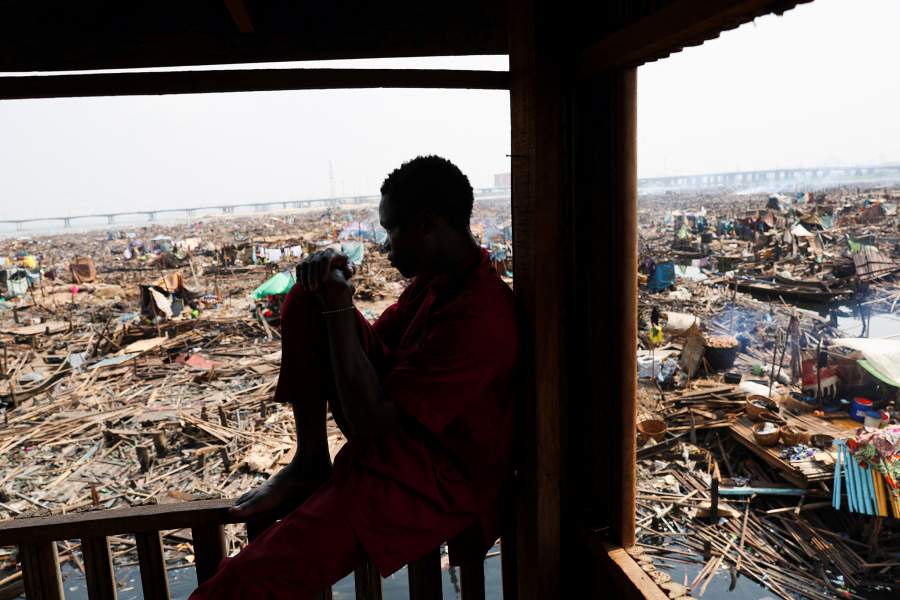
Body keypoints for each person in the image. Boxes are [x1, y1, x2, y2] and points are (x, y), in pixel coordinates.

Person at [190, 155, 518, 599]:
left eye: (390, 230)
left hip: (427, 481)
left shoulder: (479, 316)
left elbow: (371, 424)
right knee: (306, 299)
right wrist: (327, 290)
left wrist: (341, 306)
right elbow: (368, 353)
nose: (385, 246)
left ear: (426, 224)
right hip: (394, 441)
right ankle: (310, 460)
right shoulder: (436, 285)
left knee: (245, 583)